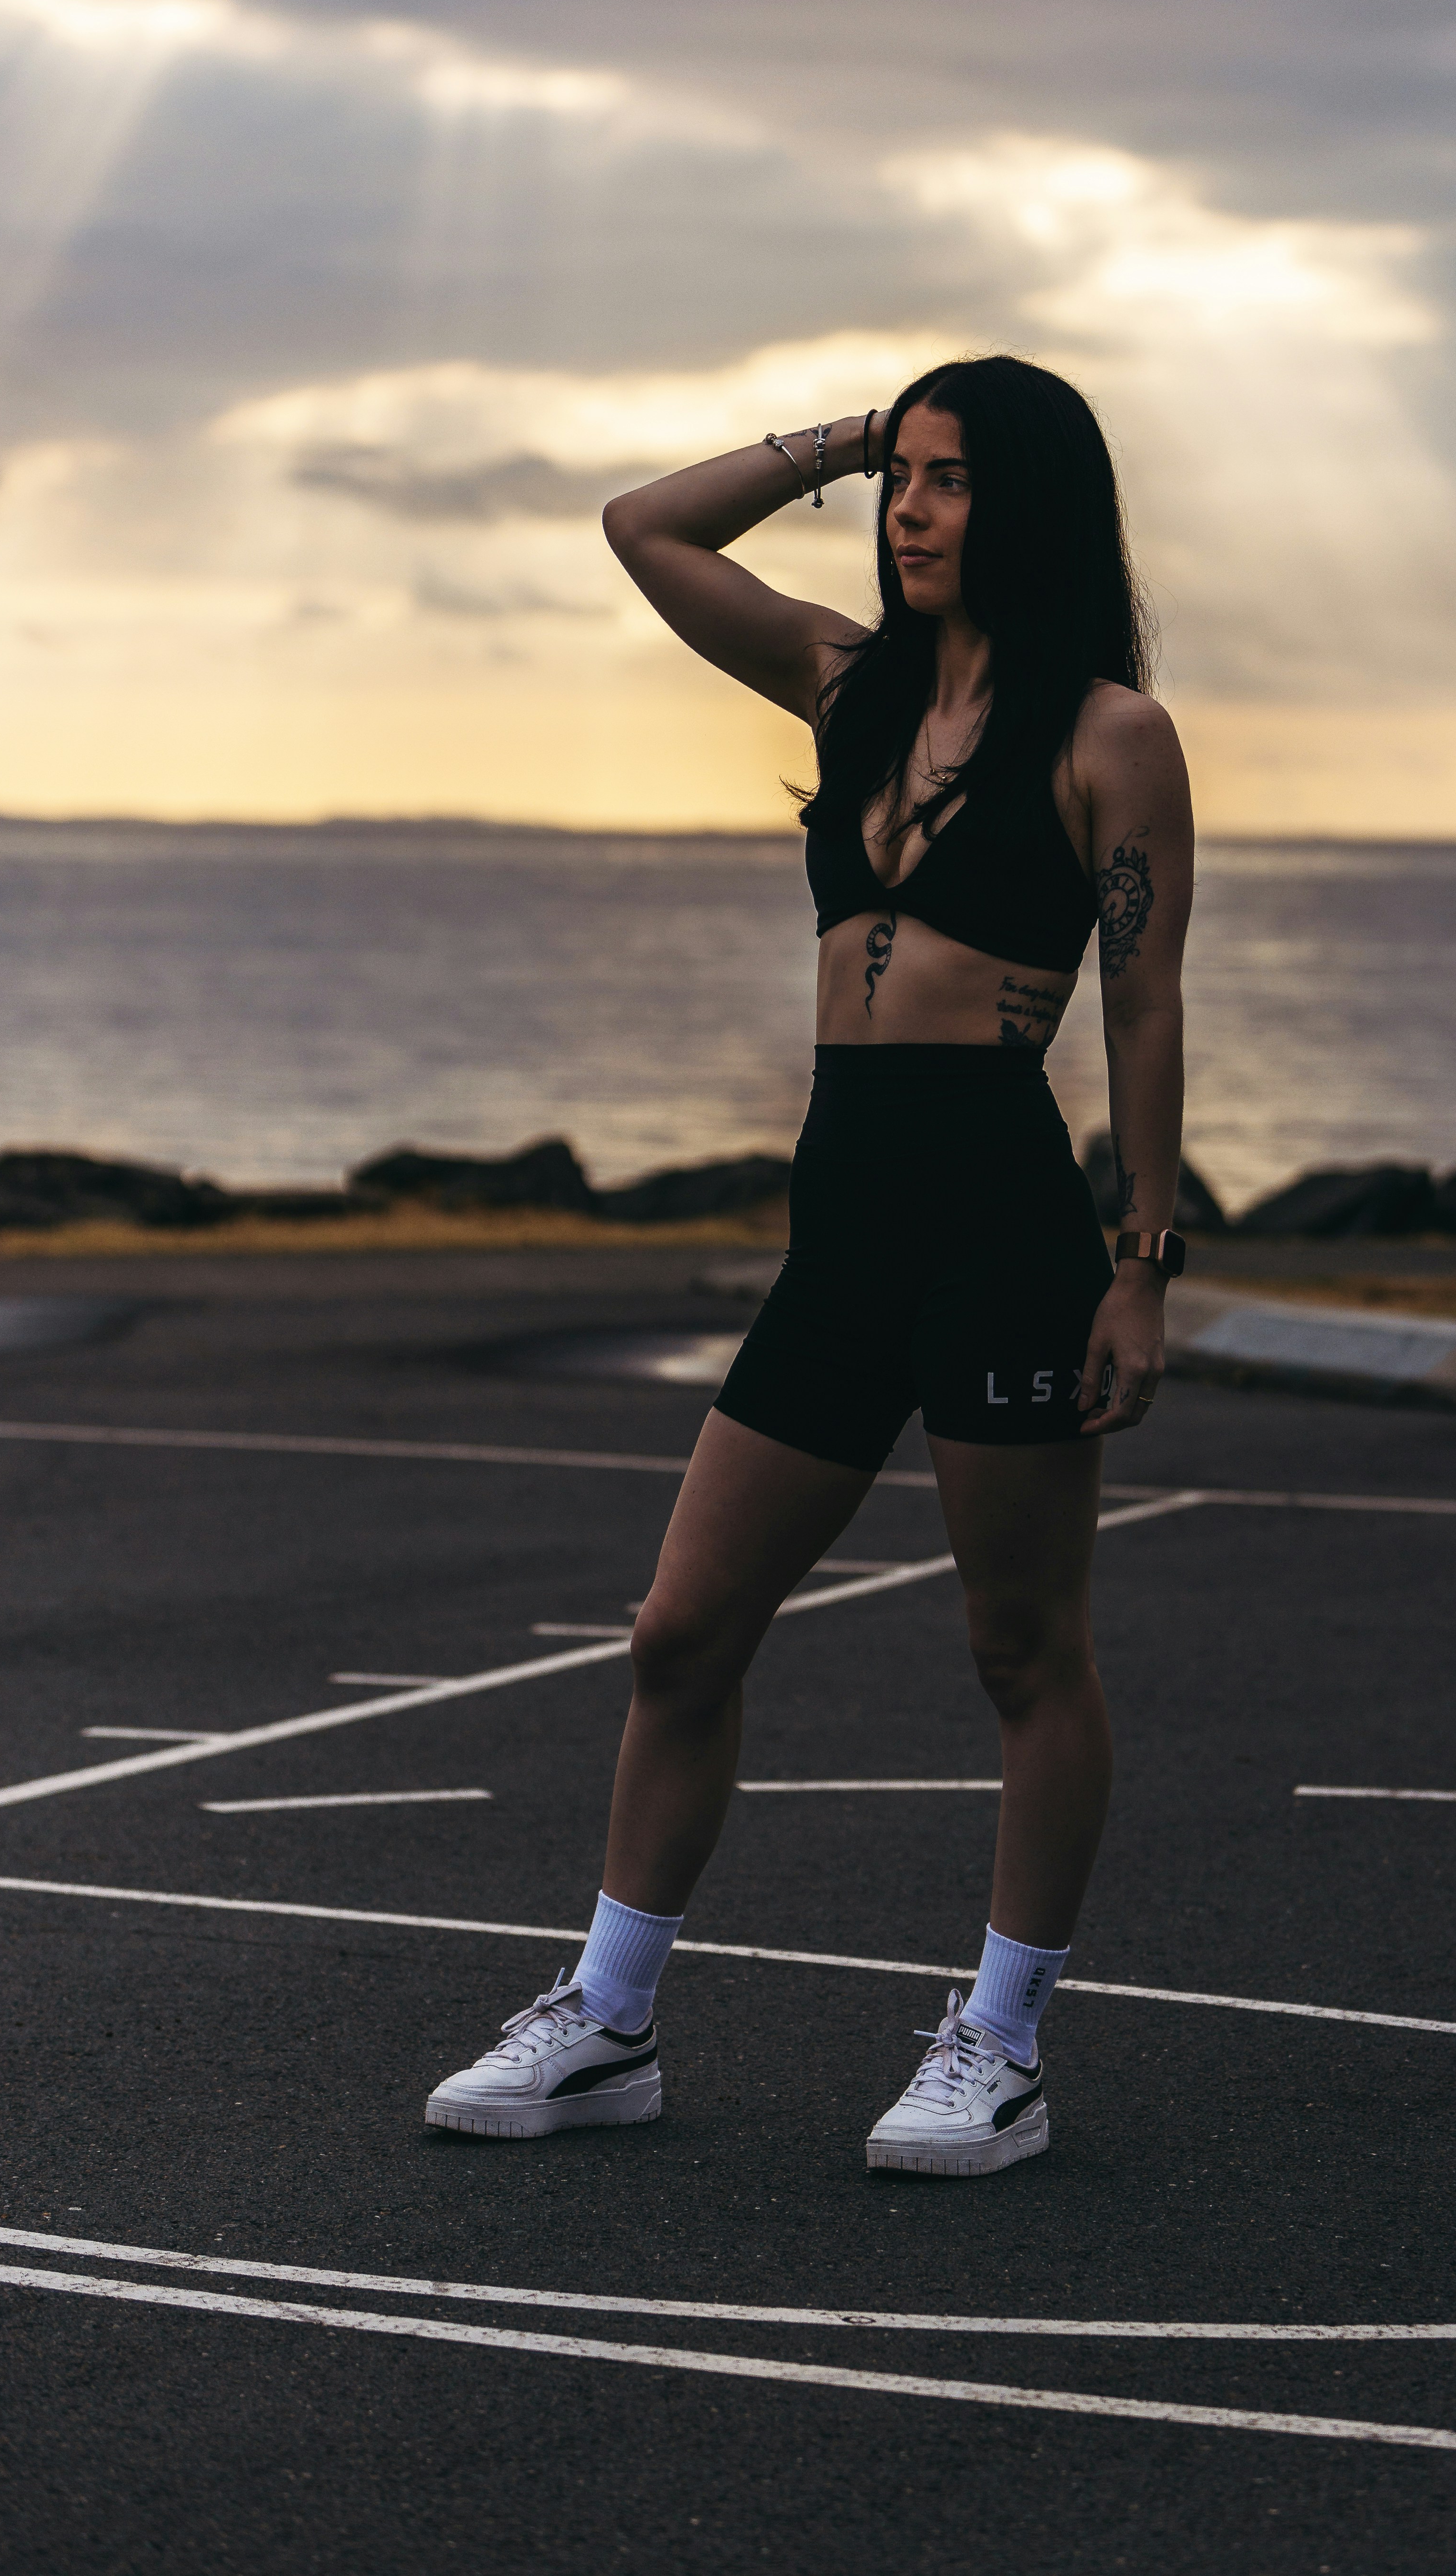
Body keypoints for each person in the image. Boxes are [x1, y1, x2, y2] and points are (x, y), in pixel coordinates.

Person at [425, 354, 1193, 2177]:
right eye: (900, 483)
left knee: (1024, 1650)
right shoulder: (845, 679)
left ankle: (997, 2041)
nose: (913, 513)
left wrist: (1143, 1259)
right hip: (839, 1226)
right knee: (683, 1631)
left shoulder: (1108, 737)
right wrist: (844, 438)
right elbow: (645, 528)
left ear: (1031, 507)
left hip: (1001, 1226)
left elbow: (1149, 1005)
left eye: (948, 482)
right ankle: (608, 2023)